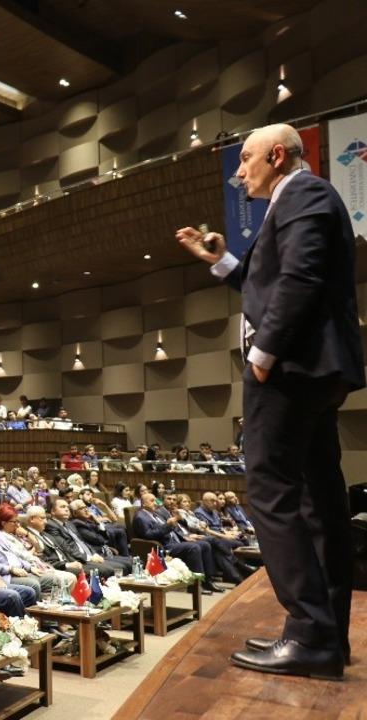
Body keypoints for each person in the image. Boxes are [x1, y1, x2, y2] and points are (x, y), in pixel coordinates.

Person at [177, 123, 364, 679]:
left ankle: (309, 632)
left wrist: (264, 354)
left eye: (246, 158)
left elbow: (302, 279)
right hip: (310, 370)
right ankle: (326, 635)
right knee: (317, 497)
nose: (239, 171)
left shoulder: (304, 192)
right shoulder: (297, 200)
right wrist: (219, 259)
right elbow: (269, 283)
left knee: (269, 490)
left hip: (290, 368)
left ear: (277, 155)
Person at [133, 493, 222, 594]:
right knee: (194, 547)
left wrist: (185, 537)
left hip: (173, 541)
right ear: (144, 503)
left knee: (205, 545)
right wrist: (168, 525)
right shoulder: (140, 517)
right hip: (164, 546)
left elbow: (173, 529)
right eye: (152, 501)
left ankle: (208, 581)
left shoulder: (154, 514)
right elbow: (148, 535)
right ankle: (195, 585)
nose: (155, 503)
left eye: (155, 500)